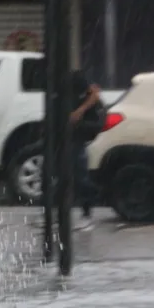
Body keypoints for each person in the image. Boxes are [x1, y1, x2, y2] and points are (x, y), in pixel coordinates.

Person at [69, 70, 105, 231]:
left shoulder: (75, 78)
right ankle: (56, 214)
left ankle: (87, 213)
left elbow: (95, 94)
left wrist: (79, 111)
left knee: (79, 173)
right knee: (54, 171)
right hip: (61, 133)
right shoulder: (51, 78)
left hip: (76, 131)